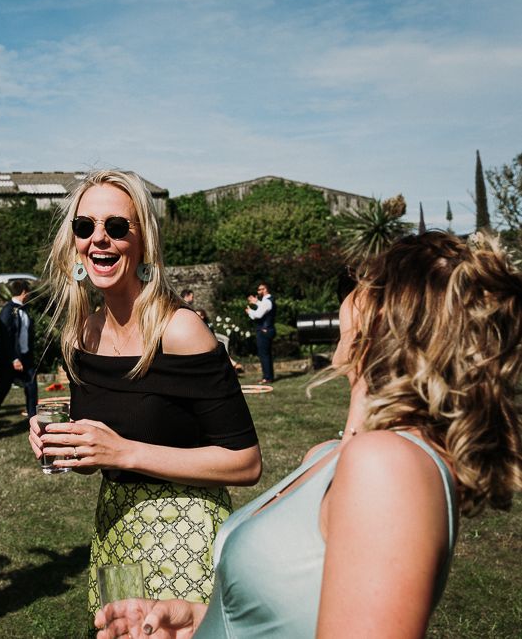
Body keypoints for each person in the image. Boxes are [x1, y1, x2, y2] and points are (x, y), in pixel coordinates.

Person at [95, 231, 522, 638]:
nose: (348, 293)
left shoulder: (389, 466)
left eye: (365, 283)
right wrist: (202, 622)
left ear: (390, 315)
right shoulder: (330, 456)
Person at [28, 169, 262, 621]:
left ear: (142, 242)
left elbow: (246, 462)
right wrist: (63, 444)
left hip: (185, 530)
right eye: (85, 226)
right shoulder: (80, 335)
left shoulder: (181, 330)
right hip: (113, 529)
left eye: (116, 227)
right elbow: (100, 448)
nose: (99, 239)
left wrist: (124, 452)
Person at [0, 279, 37, 431]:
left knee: (32, 388)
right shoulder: (7, 310)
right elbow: (5, 337)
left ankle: (33, 420)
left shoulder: (24, 310)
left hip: (26, 356)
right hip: (10, 359)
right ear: (24, 292)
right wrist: (14, 358)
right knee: (3, 388)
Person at [245, 282, 275, 383]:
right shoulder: (265, 302)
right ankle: (268, 376)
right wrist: (255, 303)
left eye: (259, 289)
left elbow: (258, 315)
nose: (258, 292)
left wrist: (249, 311)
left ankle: (267, 377)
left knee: (264, 355)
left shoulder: (267, 301)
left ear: (265, 289)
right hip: (264, 330)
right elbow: (258, 313)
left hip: (264, 330)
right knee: (265, 354)